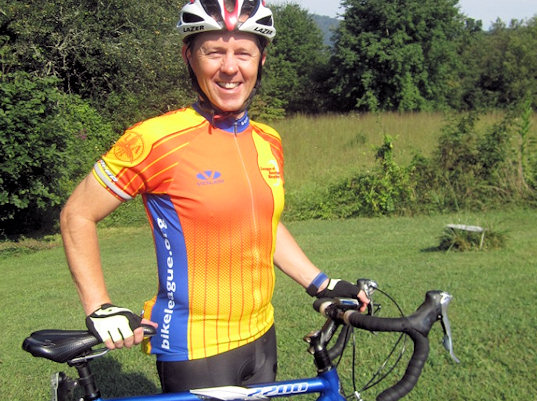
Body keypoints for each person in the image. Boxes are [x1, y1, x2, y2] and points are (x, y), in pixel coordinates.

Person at [60, 0, 368, 393]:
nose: (229, 67)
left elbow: (262, 226)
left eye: (244, 53)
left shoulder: (268, 140)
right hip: (195, 347)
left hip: (262, 335)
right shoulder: (156, 139)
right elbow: (77, 214)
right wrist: (99, 305)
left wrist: (320, 283)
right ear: (189, 57)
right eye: (214, 52)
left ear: (261, 60)